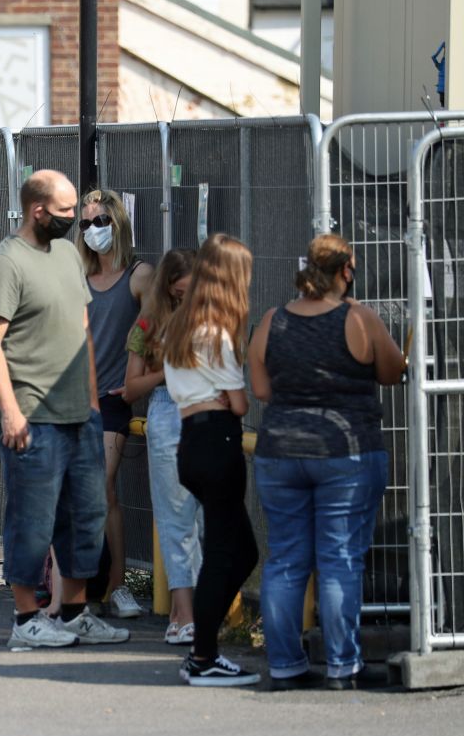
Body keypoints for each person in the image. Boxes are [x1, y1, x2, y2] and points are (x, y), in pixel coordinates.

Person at [0, 168, 130, 649]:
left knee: (85, 515)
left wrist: (90, 402)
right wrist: (10, 411)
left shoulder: (66, 254)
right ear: (38, 211)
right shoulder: (6, 262)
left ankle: (75, 611)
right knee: (33, 518)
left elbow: (81, 330)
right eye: (67, 213)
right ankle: (26, 620)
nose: (74, 222)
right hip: (32, 416)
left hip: (79, 414)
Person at [249, 234, 405, 691]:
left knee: (284, 561)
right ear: (346, 271)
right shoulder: (359, 318)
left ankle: (284, 667)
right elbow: (393, 370)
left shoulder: (273, 320)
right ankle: (343, 666)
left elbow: (260, 390)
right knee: (339, 559)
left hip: (280, 452)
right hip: (346, 452)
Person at [163, 233, 259, 686]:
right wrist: (228, 396)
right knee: (226, 555)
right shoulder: (218, 334)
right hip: (219, 444)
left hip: (190, 443)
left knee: (240, 552)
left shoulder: (179, 326)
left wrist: (225, 395)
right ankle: (203, 656)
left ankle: (205, 646)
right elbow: (239, 404)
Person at [77, 189, 152, 619]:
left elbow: (161, 325)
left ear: (119, 223)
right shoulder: (78, 277)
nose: (92, 230)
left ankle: (119, 585)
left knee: (103, 488)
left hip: (112, 399)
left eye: (100, 221)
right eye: (85, 224)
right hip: (76, 397)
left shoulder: (140, 275)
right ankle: (81, 587)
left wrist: (138, 380)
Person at [124, 249, 201, 645]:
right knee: (176, 521)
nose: (185, 302)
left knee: (201, 519)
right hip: (169, 414)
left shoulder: (212, 320)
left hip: (207, 415)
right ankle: (185, 614)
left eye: (193, 293)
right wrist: (164, 372)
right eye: (178, 294)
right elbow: (130, 387)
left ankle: (187, 611)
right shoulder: (149, 323)